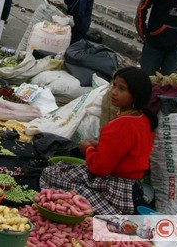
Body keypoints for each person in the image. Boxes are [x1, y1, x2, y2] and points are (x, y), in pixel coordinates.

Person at [40, 66, 156, 215]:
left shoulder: (120, 126)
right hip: (133, 185)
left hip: (116, 187)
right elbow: (126, 151)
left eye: (122, 89)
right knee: (66, 170)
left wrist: (87, 149)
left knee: (50, 174)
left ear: (136, 95)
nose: (114, 92)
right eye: (114, 85)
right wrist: (100, 145)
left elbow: (100, 168)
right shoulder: (144, 118)